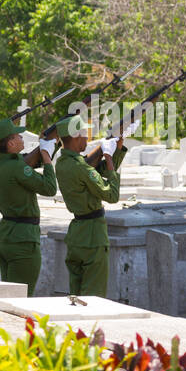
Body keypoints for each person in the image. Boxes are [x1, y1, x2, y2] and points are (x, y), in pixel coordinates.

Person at [55, 114, 126, 296]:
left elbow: (97, 171)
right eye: (85, 134)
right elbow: (111, 195)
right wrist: (108, 156)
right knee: (94, 297)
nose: (88, 138)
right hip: (93, 237)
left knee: (76, 294)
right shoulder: (81, 167)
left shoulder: (62, 163)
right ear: (77, 136)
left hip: (77, 235)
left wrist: (115, 150)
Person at [0, 117, 58, 294]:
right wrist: (47, 158)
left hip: (6, 236)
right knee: (20, 298)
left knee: (8, 297)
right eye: (18, 136)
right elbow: (49, 188)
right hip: (23, 241)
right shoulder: (18, 167)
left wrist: (46, 146)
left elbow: (25, 165)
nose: (22, 138)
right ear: (10, 144)